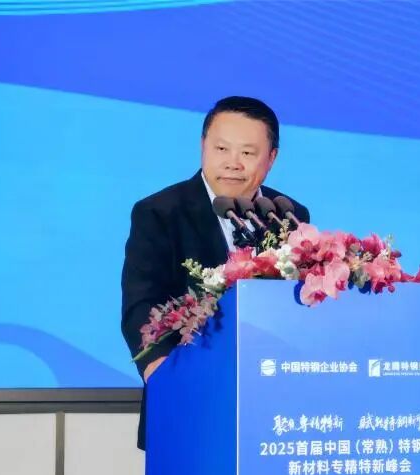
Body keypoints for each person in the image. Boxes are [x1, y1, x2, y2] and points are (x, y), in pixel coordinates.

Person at [121, 96, 310, 450]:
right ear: (203, 146)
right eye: (221, 148)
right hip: (189, 408)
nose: (232, 163)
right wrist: (165, 379)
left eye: (248, 153)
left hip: (272, 413)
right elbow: (141, 304)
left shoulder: (287, 214)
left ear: (271, 158)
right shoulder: (159, 213)